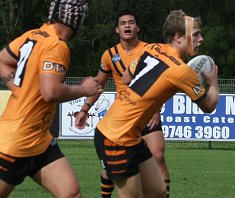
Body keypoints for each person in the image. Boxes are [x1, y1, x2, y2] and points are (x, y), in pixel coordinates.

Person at [88, 9, 220, 198]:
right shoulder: (183, 72)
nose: (201, 39)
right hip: (116, 137)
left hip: (130, 135)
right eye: (196, 34)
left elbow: (126, 78)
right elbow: (209, 106)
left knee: (158, 192)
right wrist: (213, 84)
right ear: (178, 37)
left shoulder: (150, 49)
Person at [0, 0, 103, 197]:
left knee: (71, 193)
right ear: (75, 18)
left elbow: (3, 60)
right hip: (14, 142)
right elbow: (51, 92)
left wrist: (19, 89)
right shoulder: (56, 45)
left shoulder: (32, 35)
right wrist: (83, 89)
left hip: (39, 141)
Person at [75, 9, 171, 197]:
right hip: (122, 118)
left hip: (146, 115)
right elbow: (98, 85)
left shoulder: (150, 50)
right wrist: (84, 109)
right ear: (117, 30)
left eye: (131, 22)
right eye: (123, 23)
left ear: (137, 27)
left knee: (158, 156)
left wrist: (157, 108)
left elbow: (163, 81)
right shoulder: (109, 55)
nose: (127, 25)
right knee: (109, 167)